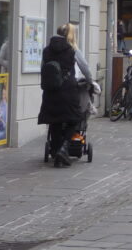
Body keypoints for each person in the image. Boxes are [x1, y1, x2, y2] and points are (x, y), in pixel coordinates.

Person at [38, 23, 88, 169]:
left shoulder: (46, 50)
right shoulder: (72, 50)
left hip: (50, 90)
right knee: (74, 119)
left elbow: (43, 68)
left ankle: (56, 151)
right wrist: (91, 82)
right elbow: (85, 67)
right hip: (68, 91)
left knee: (55, 121)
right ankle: (64, 148)